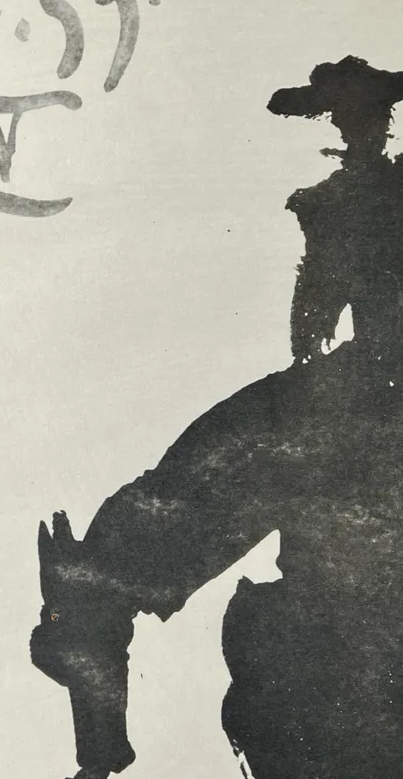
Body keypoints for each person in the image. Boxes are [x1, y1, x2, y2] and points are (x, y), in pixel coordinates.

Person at [31, 57, 403, 779]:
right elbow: (102, 589)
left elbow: (98, 592)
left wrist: (97, 742)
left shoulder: (303, 415)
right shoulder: (303, 412)